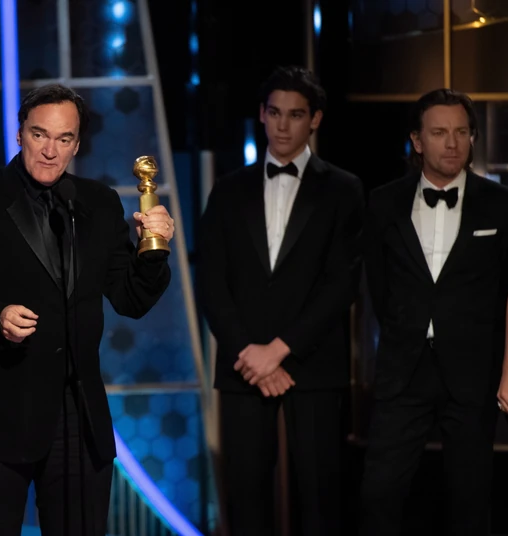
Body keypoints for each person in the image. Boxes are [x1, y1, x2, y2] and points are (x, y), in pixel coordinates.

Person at [0, 83, 174, 535]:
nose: (51, 151)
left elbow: (130, 299)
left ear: (77, 144)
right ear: (19, 134)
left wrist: (154, 251)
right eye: (39, 135)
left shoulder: (98, 203)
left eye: (64, 138)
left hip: (78, 419)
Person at [196, 65, 364, 536]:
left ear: (315, 119)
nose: (283, 125)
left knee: (321, 500)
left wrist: (280, 349)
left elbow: (342, 284)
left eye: (296, 114)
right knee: (245, 497)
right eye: (275, 113)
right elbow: (212, 280)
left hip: (312, 361)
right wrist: (249, 352)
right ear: (261, 115)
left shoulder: (344, 189)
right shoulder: (228, 190)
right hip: (244, 364)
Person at [359, 88, 508, 536]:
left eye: (462, 132)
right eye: (440, 132)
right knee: (379, 495)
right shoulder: (383, 202)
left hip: (473, 373)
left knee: (470, 500)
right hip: (403, 369)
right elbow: (378, 285)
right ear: (417, 140)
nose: (453, 143)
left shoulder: (500, 203)